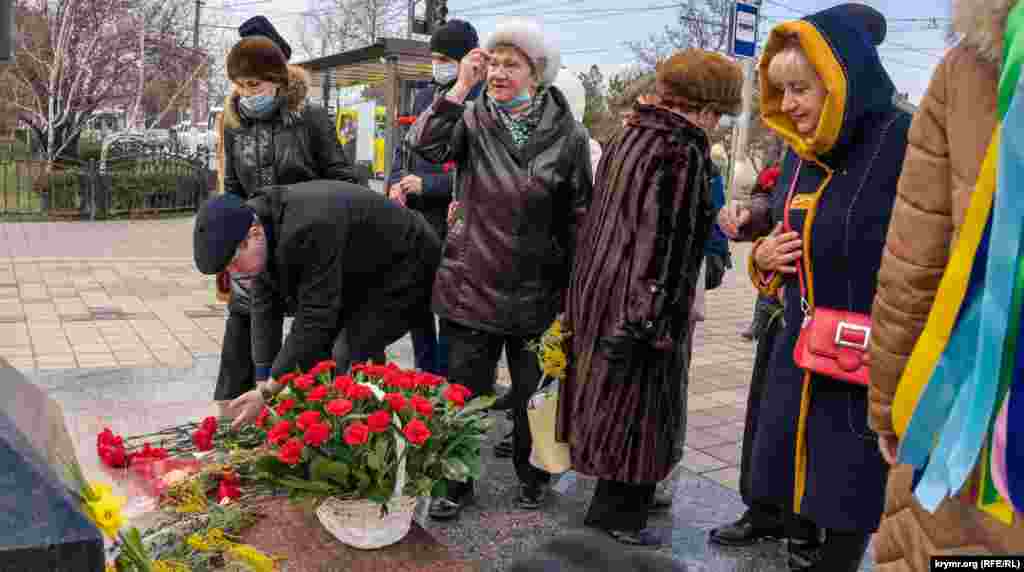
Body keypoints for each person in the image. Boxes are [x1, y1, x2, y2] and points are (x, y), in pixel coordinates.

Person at [715, 4, 912, 570]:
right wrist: (764, 255)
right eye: (782, 91)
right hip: (799, 340)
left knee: (849, 480)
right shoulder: (803, 152)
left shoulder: (904, 142)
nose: (789, 106)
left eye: (800, 89)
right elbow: (786, 228)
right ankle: (785, 525)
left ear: (840, 78)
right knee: (783, 450)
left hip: (864, 355)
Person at [409, 17, 594, 520]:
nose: (498, 73)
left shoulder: (570, 137)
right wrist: (459, 87)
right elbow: (424, 144)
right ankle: (454, 484)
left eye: (511, 64)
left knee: (533, 395)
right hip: (471, 283)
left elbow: (580, 215)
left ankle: (533, 477)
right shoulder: (471, 118)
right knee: (464, 394)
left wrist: (576, 292)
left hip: (538, 292)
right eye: (492, 63)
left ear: (537, 73)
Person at [559, 48, 743, 547]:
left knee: (610, 414)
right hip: (644, 310)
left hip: (605, 298)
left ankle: (606, 516)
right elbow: (665, 243)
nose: (721, 126)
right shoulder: (681, 150)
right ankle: (619, 527)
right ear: (703, 108)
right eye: (721, 115)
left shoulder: (632, 135)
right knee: (639, 423)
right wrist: (653, 322)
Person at [868, 0, 1024, 568]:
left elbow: (914, 258)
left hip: (964, 423)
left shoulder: (966, 70)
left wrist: (890, 405)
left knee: (959, 550)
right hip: (972, 416)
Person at [192, 181, 442, 429]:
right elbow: (264, 308)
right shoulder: (261, 223)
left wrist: (270, 391)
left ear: (254, 233)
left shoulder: (307, 227)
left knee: (346, 350)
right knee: (320, 359)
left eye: (234, 262)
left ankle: (369, 435)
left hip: (409, 263)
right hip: (361, 270)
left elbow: (314, 319)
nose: (235, 273)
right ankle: (336, 429)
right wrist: (263, 382)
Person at [214, 16, 357, 416]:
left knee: (311, 348)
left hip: (310, 249)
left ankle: (311, 426)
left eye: (254, 85)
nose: (246, 93)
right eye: (239, 86)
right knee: (248, 337)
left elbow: (342, 181)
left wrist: (301, 207)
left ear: (276, 79)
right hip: (257, 251)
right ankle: (246, 420)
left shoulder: (310, 118)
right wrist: (229, 242)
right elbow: (233, 191)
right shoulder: (234, 123)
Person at [388, 19, 483, 377]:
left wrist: (427, 185)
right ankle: (425, 376)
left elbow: (475, 171)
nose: (437, 64)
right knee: (417, 306)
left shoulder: (482, 103)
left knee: (450, 313)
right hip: (416, 222)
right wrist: (397, 182)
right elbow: (405, 147)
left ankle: (447, 384)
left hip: (454, 225)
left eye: (445, 58)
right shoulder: (425, 96)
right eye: (434, 57)